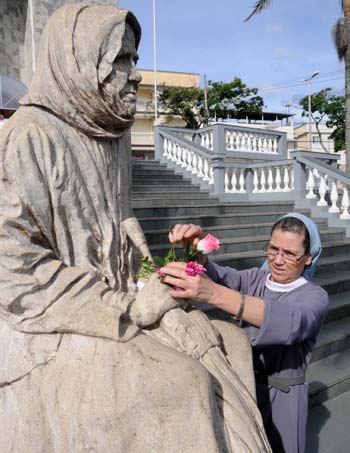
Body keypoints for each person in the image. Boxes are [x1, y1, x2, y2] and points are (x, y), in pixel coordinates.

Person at [0, 4, 272, 452]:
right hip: (56, 318)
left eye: (134, 59)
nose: (136, 74)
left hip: (121, 297)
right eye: (121, 60)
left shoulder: (113, 135)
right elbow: (13, 268)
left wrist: (156, 273)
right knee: (181, 380)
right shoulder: (27, 137)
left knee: (228, 342)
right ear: (81, 61)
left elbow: (118, 236)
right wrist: (126, 308)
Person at [160, 213, 329, 453]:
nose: (278, 260)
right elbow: (220, 276)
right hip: (245, 388)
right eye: (273, 249)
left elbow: (292, 322)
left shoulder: (315, 296)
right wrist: (196, 249)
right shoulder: (255, 279)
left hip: (284, 400)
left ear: (309, 259)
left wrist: (213, 294)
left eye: (289, 254)